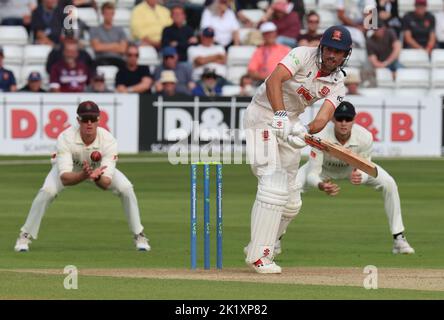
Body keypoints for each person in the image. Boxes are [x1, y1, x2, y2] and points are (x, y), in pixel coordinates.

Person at [243, 25, 352, 274]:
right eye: (330, 49)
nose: (333, 55)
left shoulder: (338, 82)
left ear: (346, 55)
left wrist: (303, 132)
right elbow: (274, 80)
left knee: (291, 201)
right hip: (263, 114)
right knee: (272, 184)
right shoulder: (302, 54)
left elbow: (322, 119)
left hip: (291, 121)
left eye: (339, 51)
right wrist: (279, 114)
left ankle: (261, 245)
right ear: (322, 47)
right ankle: (260, 256)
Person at [273, 101, 415, 257]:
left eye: (348, 119)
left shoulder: (365, 137)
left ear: (354, 120)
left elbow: (366, 167)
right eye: (340, 119)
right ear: (333, 119)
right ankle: (275, 239)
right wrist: (320, 185)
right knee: (290, 190)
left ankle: (399, 238)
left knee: (389, 184)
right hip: (323, 171)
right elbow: (312, 173)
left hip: (351, 170)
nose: (343, 123)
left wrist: (360, 177)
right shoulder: (320, 136)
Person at [14, 101, 151, 252]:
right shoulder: (66, 138)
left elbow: (106, 183)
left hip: (98, 169)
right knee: (47, 191)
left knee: (126, 188)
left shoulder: (108, 140)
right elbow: (65, 178)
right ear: (78, 120)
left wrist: (96, 177)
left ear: (99, 119)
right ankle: (25, 235)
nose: (89, 123)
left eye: (93, 118)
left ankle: (139, 234)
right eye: (85, 119)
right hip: (72, 168)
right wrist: (84, 175)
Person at [90, 2, 128, 70]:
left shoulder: (120, 30)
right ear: (102, 14)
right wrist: (115, 45)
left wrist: (103, 46)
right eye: (107, 13)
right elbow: (97, 47)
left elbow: (123, 49)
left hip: (117, 59)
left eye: (111, 13)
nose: (109, 16)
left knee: (126, 67)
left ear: (114, 14)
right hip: (101, 59)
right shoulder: (95, 29)